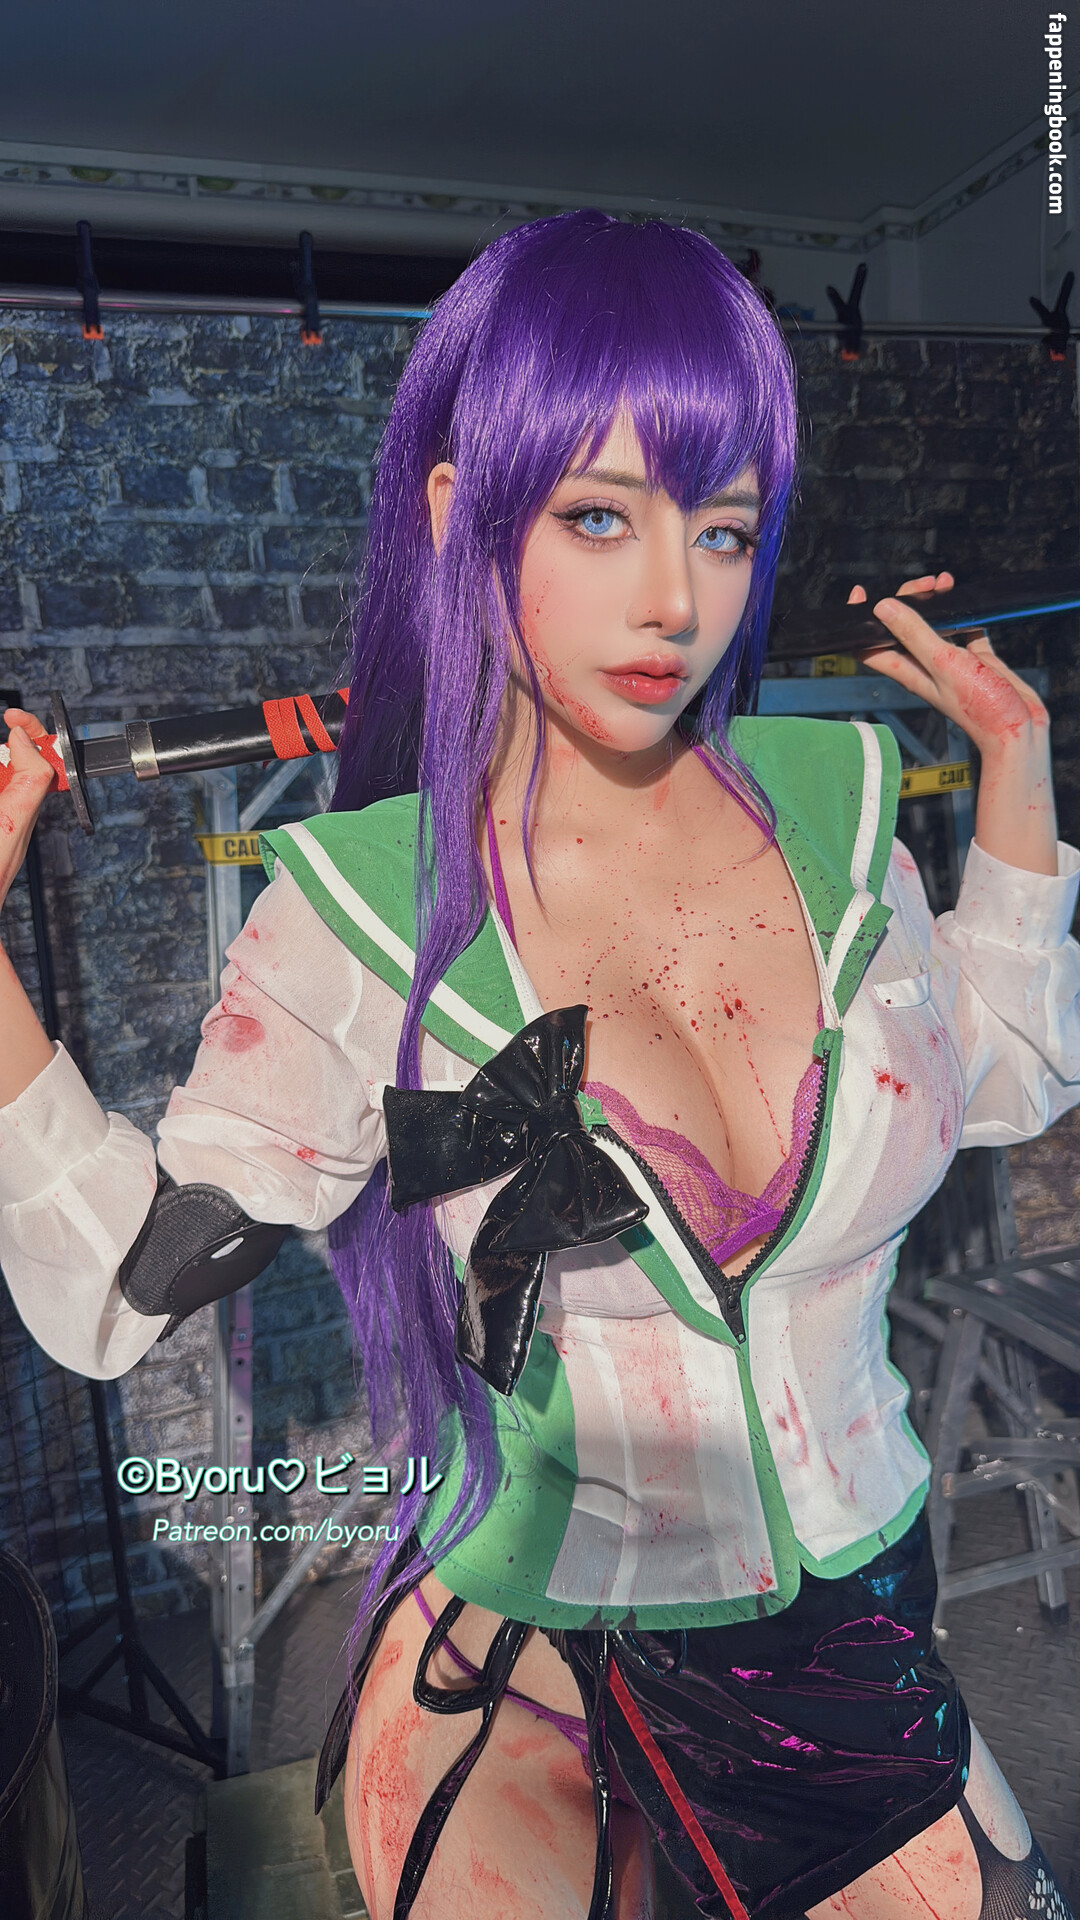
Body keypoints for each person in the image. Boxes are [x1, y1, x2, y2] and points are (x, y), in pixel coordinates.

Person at [1, 211, 1078, 1920]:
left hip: (863, 1625)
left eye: (723, 530)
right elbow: (124, 1289)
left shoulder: (843, 814)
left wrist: (1015, 780)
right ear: (459, 513)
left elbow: (1005, 1079)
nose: (675, 601)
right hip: (532, 1666)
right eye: (598, 516)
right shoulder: (366, 913)